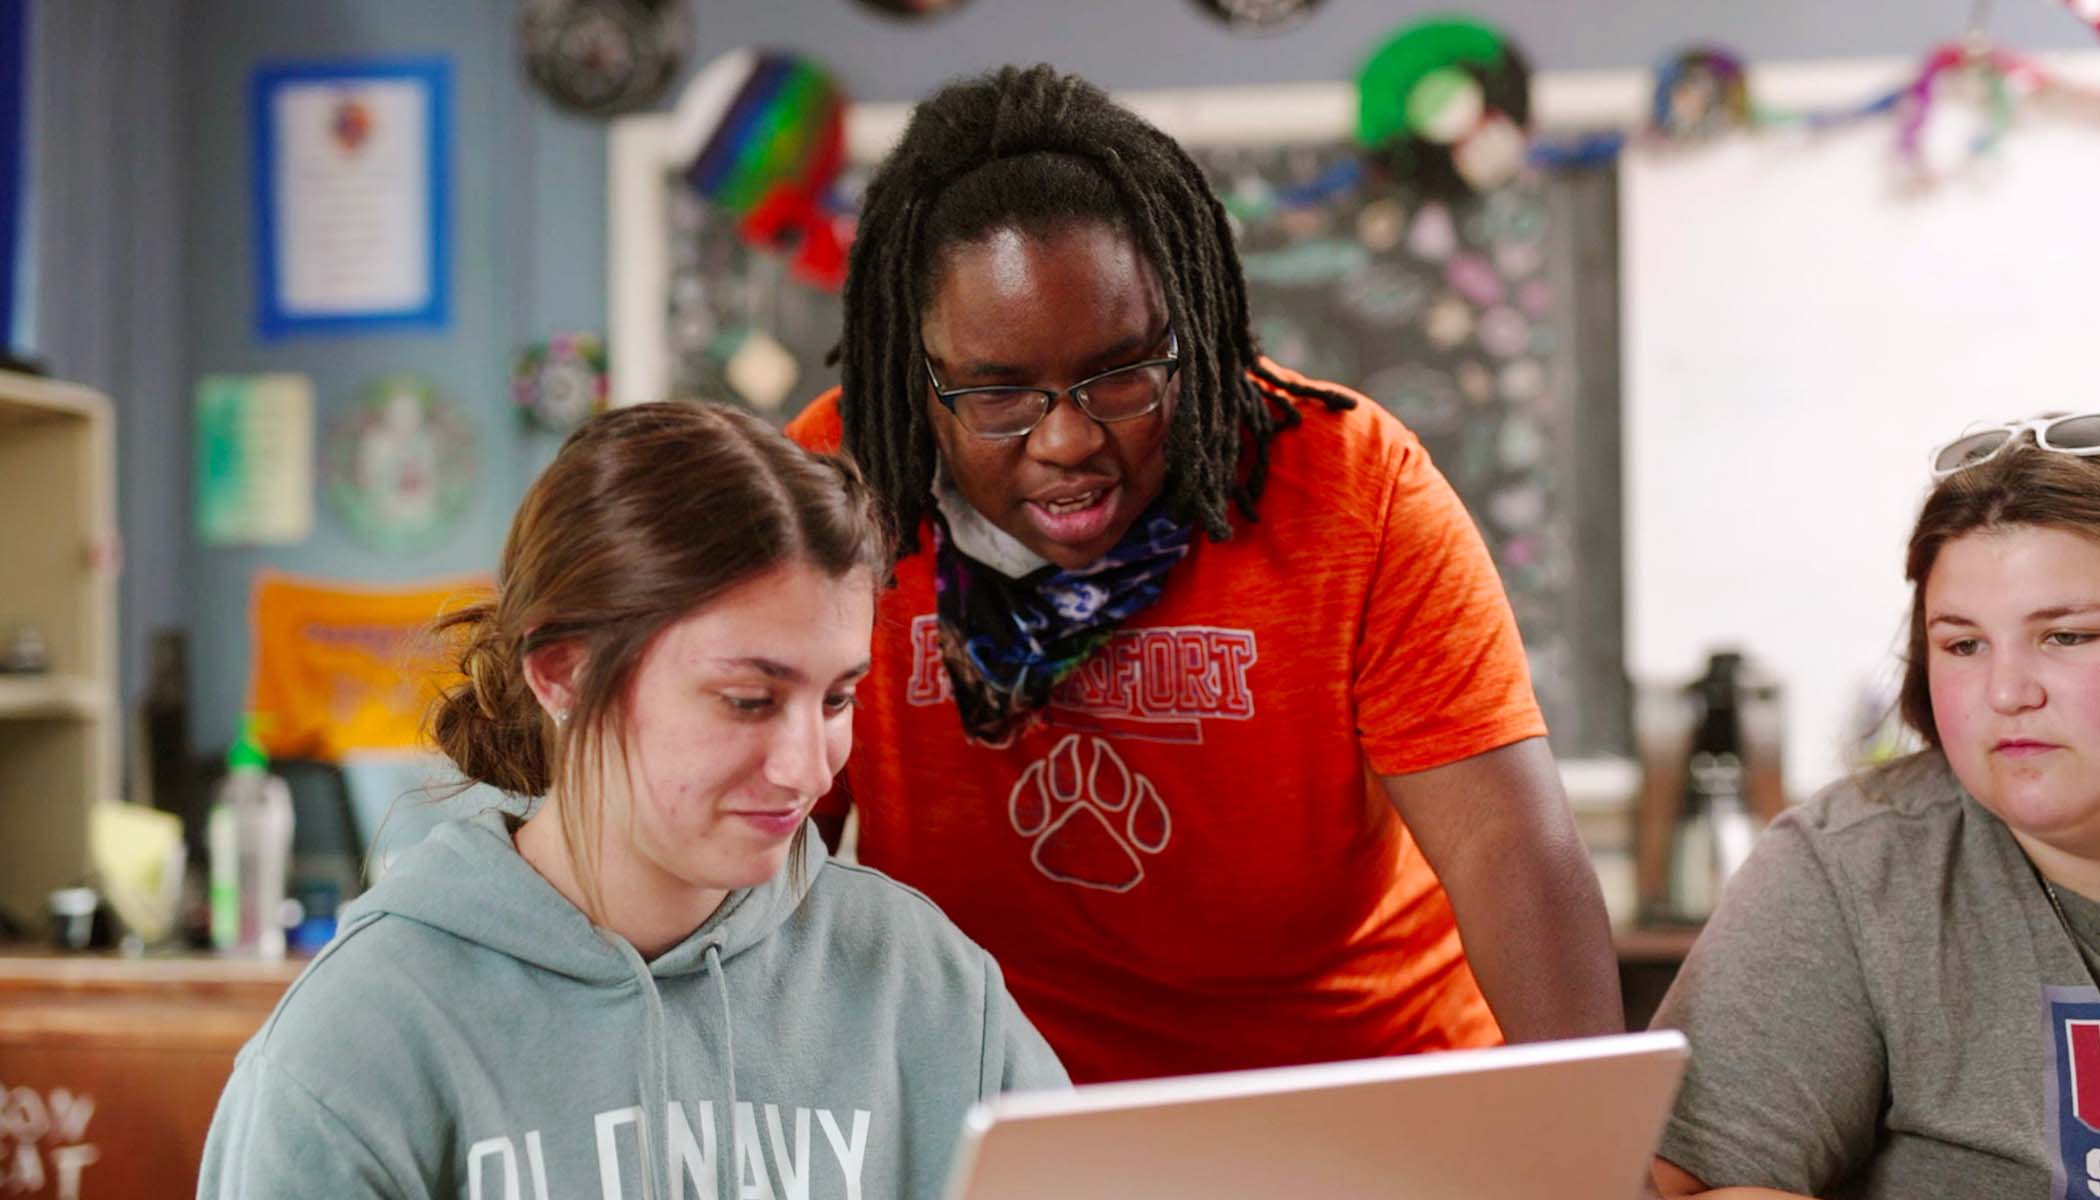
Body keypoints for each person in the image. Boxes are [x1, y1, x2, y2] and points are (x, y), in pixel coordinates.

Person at [784, 64, 1623, 1084]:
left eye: (1123, 373)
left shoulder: (1351, 484)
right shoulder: (837, 492)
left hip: (1361, 1091)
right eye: (1000, 394)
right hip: (1007, 1100)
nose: (1069, 440)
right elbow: (761, 847)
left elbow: (1509, 848)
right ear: (915, 377)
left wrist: (1590, 1142)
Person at [199, 402, 1066, 1199]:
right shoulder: (356, 1042)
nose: (808, 767)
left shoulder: (927, 985)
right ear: (563, 674)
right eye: (749, 700)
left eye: (837, 698)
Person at [1649, 413, 2100, 1198]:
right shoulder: (1851, 863)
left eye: (2066, 636)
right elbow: (1691, 1187)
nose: (2007, 692)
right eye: (1962, 645)